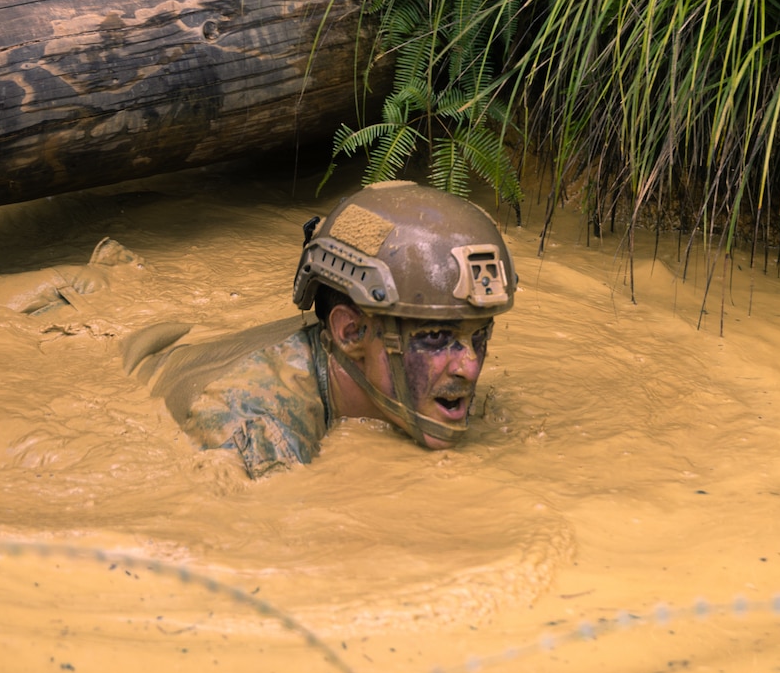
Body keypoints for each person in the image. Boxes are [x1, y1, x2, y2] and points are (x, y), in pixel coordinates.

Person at [123, 180, 517, 479]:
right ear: (350, 333)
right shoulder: (254, 437)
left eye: (479, 336)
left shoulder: (394, 377)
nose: (470, 367)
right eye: (434, 338)